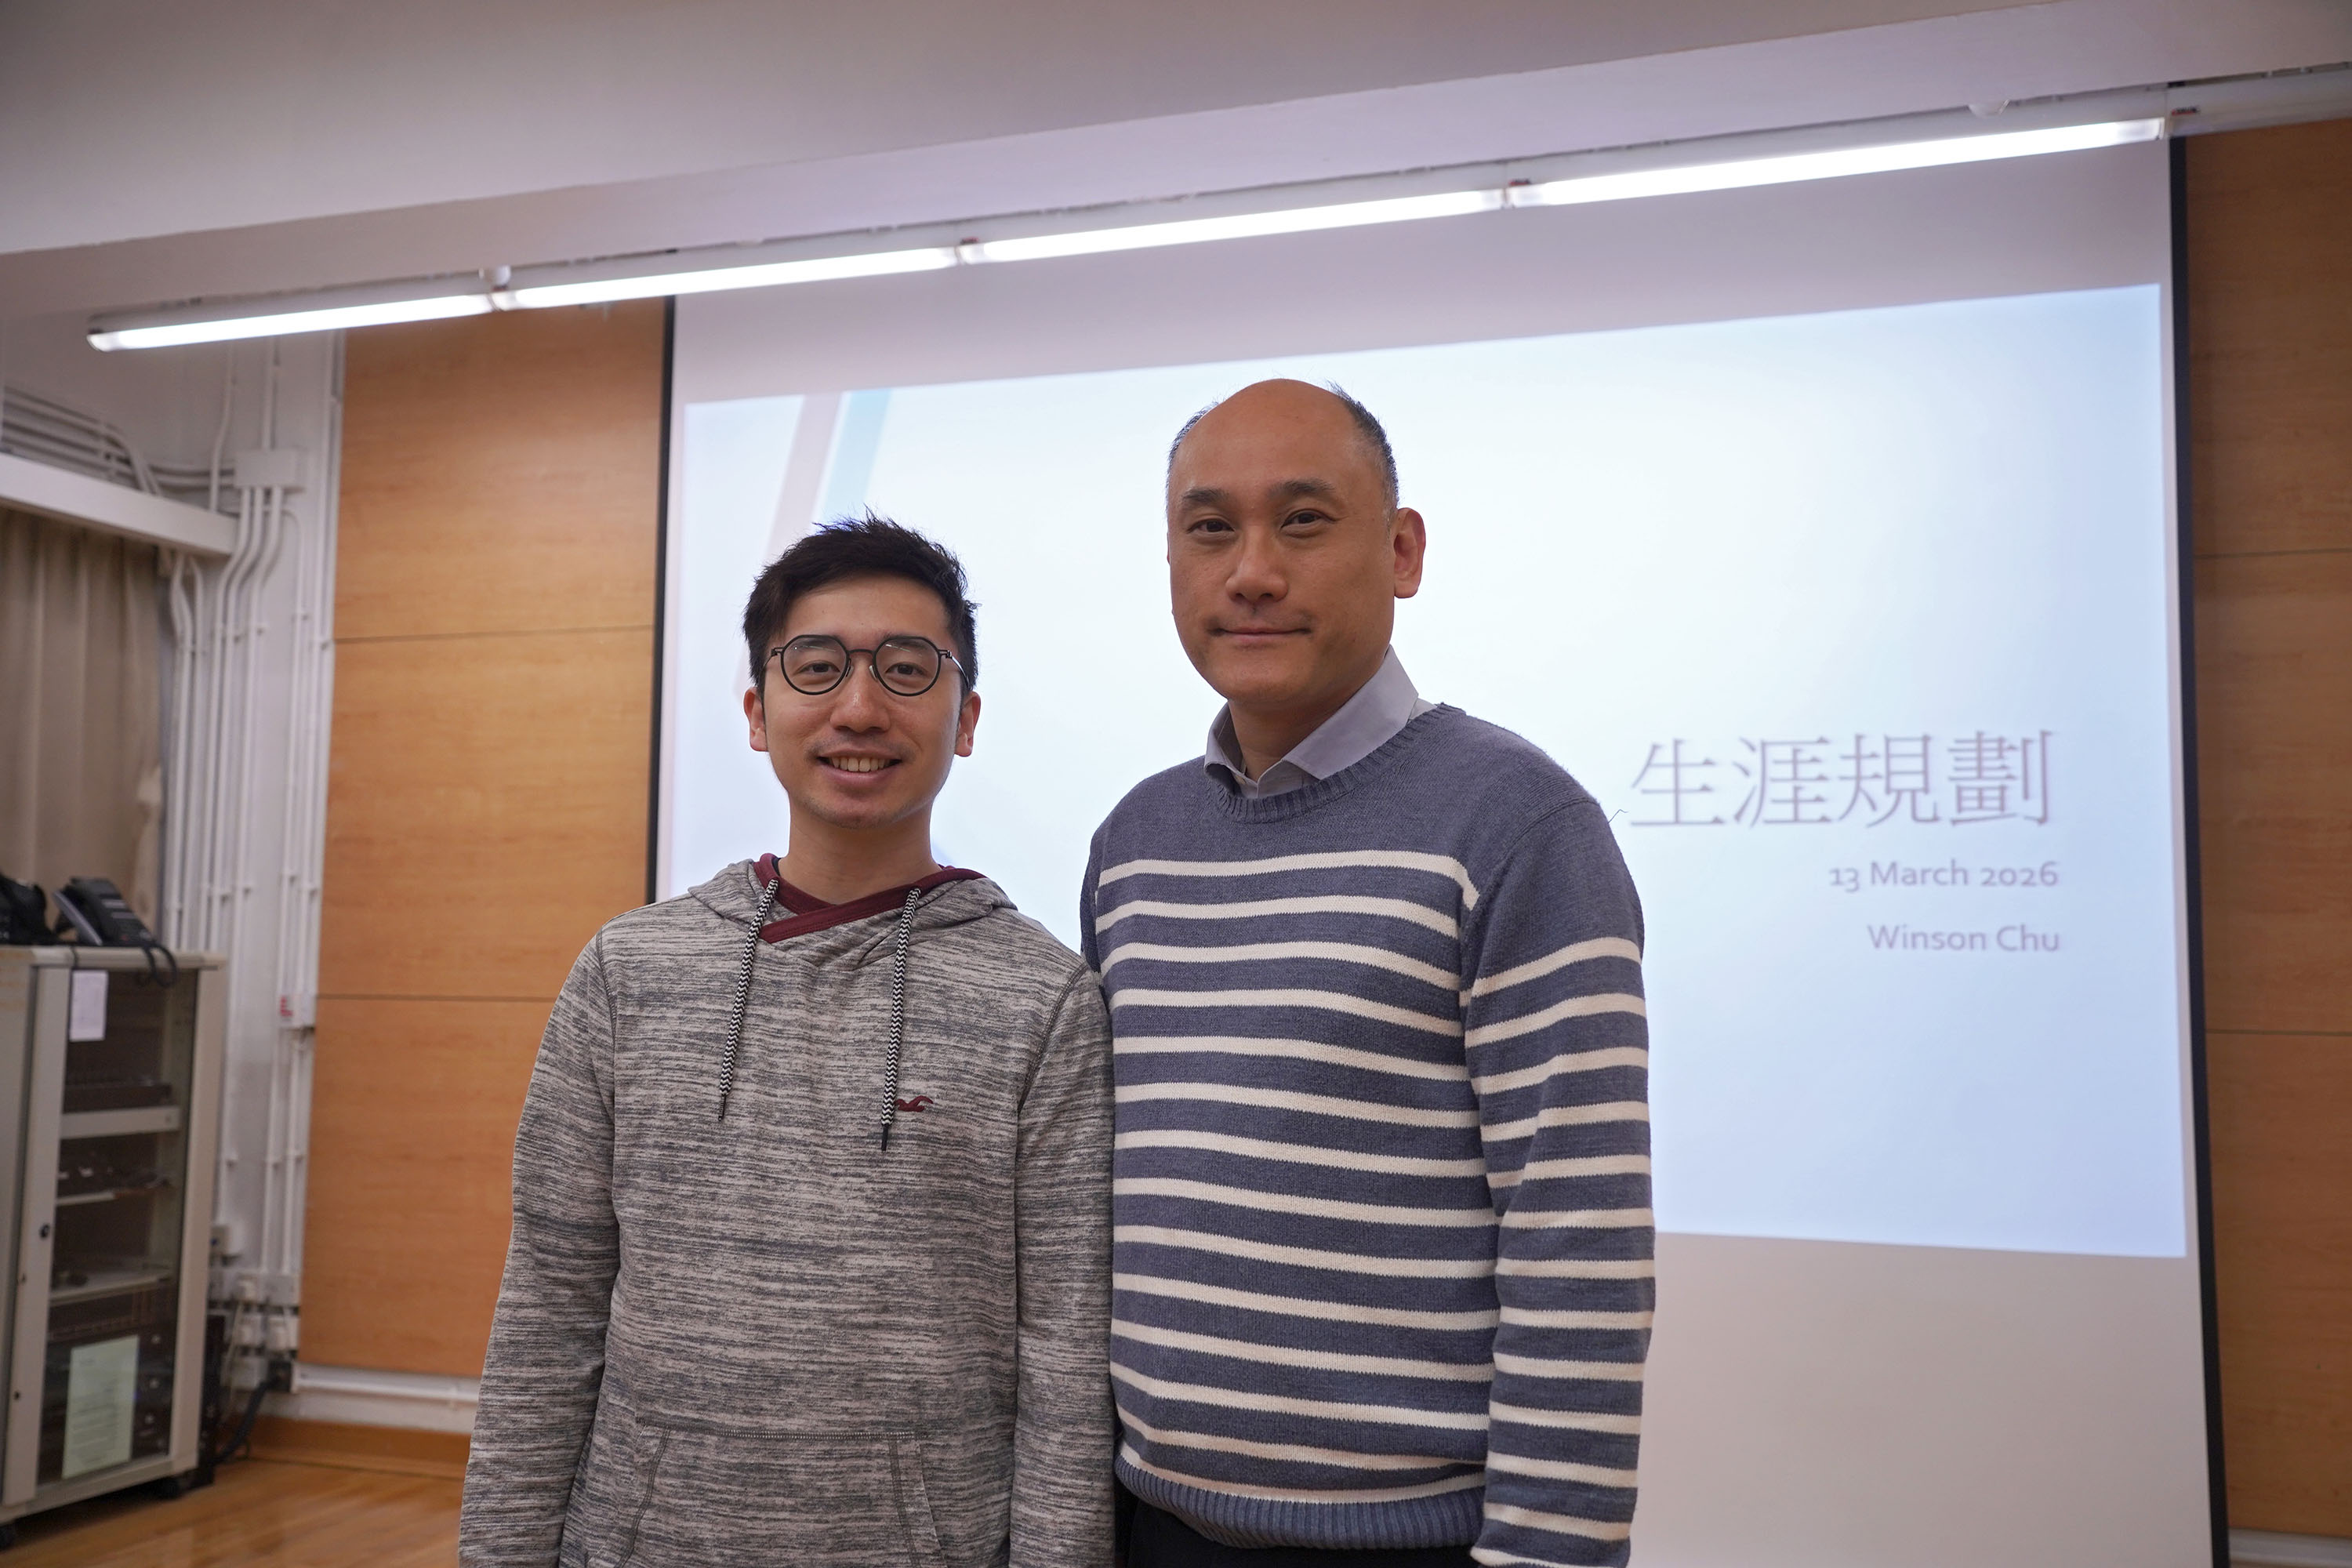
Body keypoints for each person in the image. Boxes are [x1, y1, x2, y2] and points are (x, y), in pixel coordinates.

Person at [460, 517, 1116, 1568]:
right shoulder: (629, 972)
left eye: (908, 668)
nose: (860, 707)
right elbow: (550, 1303)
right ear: (759, 713)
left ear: (966, 718)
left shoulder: (1043, 1002)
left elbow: (1066, 1359)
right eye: (818, 667)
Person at [1083, 381, 1652, 1568]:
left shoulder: (1518, 823)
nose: (1251, 572)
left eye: (1302, 521)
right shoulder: (1135, 842)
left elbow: (1578, 1241)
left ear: (1402, 552)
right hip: (1153, 1527)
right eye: (1210, 529)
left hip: (1411, 1542)